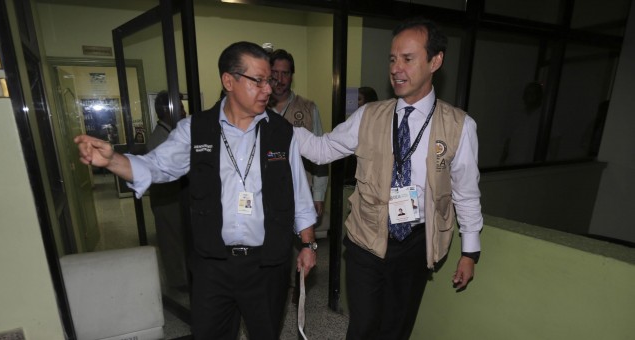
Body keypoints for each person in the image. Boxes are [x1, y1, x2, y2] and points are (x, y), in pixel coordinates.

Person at [74, 41, 318, 340]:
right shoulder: (196, 129)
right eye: (259, 80)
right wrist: (113, 160)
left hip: (267, 265)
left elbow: (298, 194)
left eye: (269, 80)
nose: (269, 88)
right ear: (229, 81)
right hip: (213, 265)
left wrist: (308, 245)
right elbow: (156, 167)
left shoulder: (282, 133)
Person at [294, 17, 483, 339]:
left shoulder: (459, 127)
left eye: (408, 59)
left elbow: (466, 193)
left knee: (397, 328)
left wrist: (470, 252)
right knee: (363, 326)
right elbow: (322, 150)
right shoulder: (369, 116)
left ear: (435, 61)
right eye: (392, 59)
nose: (397, 69)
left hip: (415, 244)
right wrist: (275, 128)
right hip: (365, 237)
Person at [268, 48, 329, 303]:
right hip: (269, 193)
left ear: (292, 76)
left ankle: (298, 289)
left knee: (302, 241)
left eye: (286, 74)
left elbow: (321, 155)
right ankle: (275, 285)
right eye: (275, 74)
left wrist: (318, 193)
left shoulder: (307, 108)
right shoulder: (258, 107)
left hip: (300, 189)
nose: (280, 80)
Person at [146, 90, 188, 292]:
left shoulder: (172, 133)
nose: (183, 110)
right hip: (167, 199)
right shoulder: (159, 139)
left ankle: (183, 277)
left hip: (175, 198)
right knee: (171, 241)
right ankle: (178, 283)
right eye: (178, 107)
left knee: (178, 240)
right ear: (165, 110)